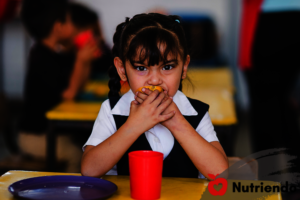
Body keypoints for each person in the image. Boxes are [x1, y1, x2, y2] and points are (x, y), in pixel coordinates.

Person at [81, 13, 228, 179]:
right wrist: (134, 125)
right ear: (122, 69)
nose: (155, 80)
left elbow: (221, 174)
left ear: (184, 67)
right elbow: (89, 170)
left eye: (167, 67)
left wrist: (177, 123)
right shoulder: (112, 110)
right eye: (141, 68)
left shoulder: (195, 112)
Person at [18, 0, 98, 172]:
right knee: (77, 155)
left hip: (51, 131)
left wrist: (85, 62)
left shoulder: (57, 54)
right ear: (58, 26)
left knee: (87, 143)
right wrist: (80, 62)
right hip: (35, 136)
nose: (73, 26)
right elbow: (69, 94)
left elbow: (79, 88)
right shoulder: (41, 57)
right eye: (69, 21)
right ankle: (69, 194)